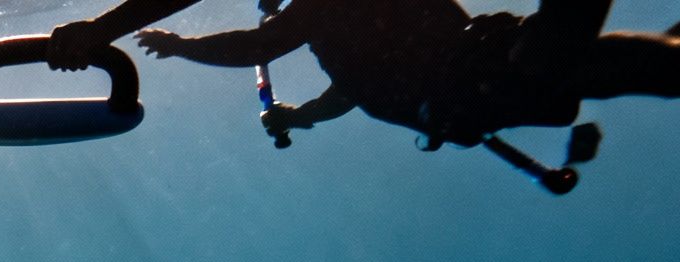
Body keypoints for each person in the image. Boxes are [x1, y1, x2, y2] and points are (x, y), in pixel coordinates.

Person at [122, 0, 680, 146]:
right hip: (473, 88)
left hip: (478, 80)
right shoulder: (335, 30)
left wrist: (181, 45)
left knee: (569, 64)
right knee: (565, 64)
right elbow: (343, 94)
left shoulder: (326, 17)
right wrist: (299, 115)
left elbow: (256, 47)